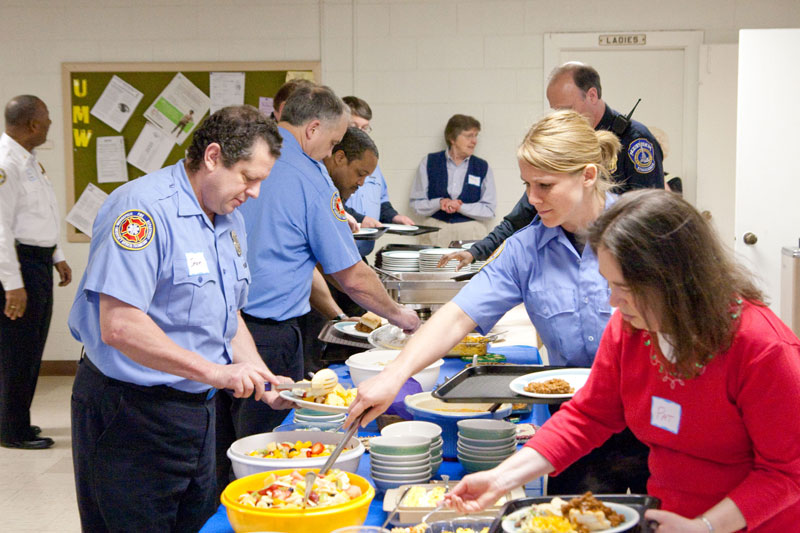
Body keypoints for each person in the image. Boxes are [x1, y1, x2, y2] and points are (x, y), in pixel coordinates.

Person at [445, 189, 800, 532]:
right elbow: (589, 415)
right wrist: (500, 479)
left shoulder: (762, 348)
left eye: (625, 288)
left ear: (676, 281)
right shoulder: (632, 328)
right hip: (670, 516)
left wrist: (705, 527)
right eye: (608, 284)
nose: (613, 302)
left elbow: (787, 473)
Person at [348, 110, 650, 495]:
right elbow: (458, 315)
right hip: (575, 423)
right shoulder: (527, 248)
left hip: (650, 418)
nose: (532, 199)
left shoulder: (643, 231)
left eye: (544, 185)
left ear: (588, 175)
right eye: (527, 185)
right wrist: (393, 376)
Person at [68, 105, 293, 531]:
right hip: (130, 412)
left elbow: (226, 315)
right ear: (213, 156)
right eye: (248, 177)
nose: (255, 192)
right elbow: (119, 325)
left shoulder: (230, 220)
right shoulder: (141, 210)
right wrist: (216, 373)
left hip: (197, 412)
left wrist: (261, 377)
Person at [216, 85, 420, 491]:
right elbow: (351, 275)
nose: (331, 153)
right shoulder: (309, 178)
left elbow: (292, 257)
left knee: (224, 452)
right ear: (312, 129)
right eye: (332, 142)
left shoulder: (246, 157)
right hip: (267, 336)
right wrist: (401, 317)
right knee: (268, 456)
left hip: (221, 329)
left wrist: (340, 314)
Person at [439, 61, 665, 271]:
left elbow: (649, 220)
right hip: (564, 259)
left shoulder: (635, 141)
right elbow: (525, 212)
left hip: (618, 262)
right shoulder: (561, 143)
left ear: (592, 95)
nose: (561, 117)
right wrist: (478, 250)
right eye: (555, 110)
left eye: (567, 108)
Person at [0, 95, 72, 450]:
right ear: (32, 125)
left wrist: (57, 256)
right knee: (17, 351)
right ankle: (11, 431)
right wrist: (13, 285)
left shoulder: (28, 160)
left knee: (30, 348)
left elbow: (38, 216)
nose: (49, 125)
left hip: (37, 261)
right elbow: (1, 228)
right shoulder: (6, 163)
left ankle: (18, 421)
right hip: (18, 265)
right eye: (46, 120)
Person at [342, 96, 415, 257]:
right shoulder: (336, 163)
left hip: (362, 254)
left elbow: (381, 202)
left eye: (365, 128)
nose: (360, 133)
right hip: (341, 253)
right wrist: (361, 219)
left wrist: (394, 217)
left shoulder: (373, 166)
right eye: (354, 126)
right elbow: (333, 204)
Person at [409, 114, 497, 248]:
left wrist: (460, 207)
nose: (474, 141)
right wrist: (439, 203)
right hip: (437, 231)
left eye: (476, 136)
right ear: (452, 138)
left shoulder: (482, 167)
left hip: (471, 231)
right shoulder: (429, 162)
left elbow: (489, 210)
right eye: (469, 136)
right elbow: (416, 204)